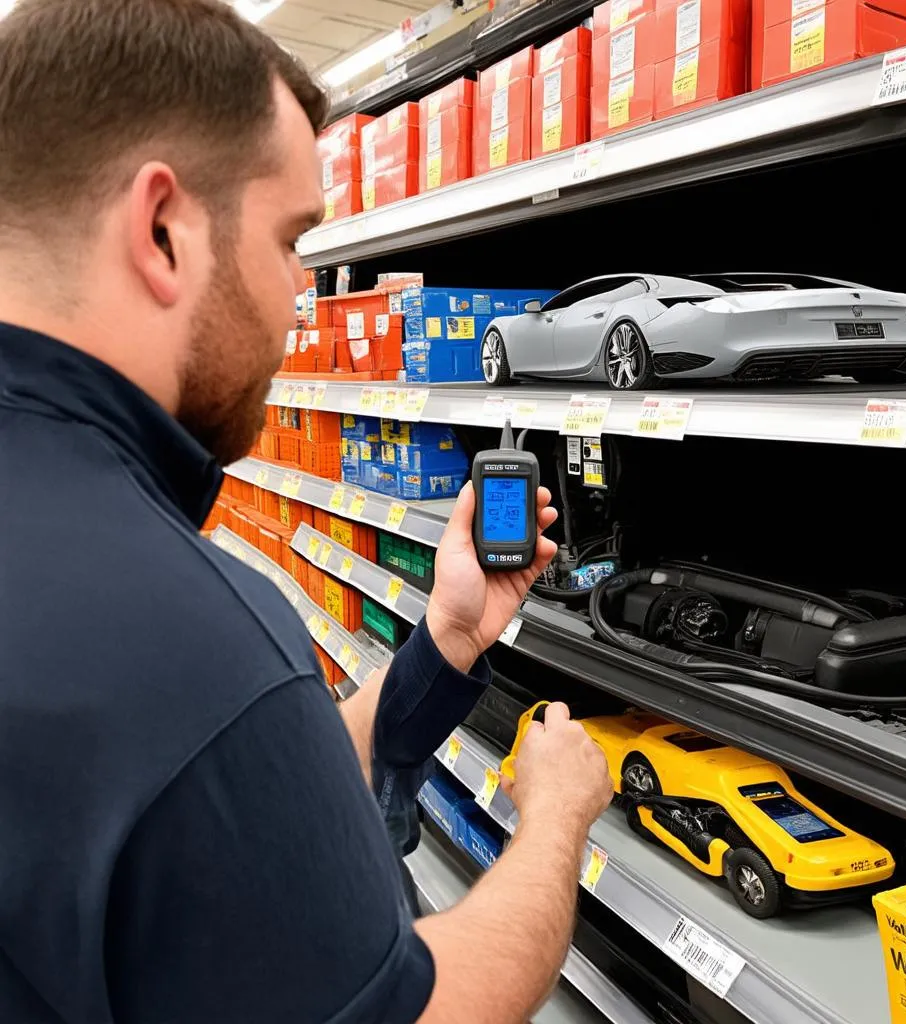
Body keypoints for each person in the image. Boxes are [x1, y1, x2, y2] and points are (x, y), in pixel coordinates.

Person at [0, 2, 613, 1023]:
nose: (302, 295)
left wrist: (450, 636)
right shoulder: (183, 635)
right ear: (163, 230)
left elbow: (223, 789)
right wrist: (554, 820)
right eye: (292, 242)